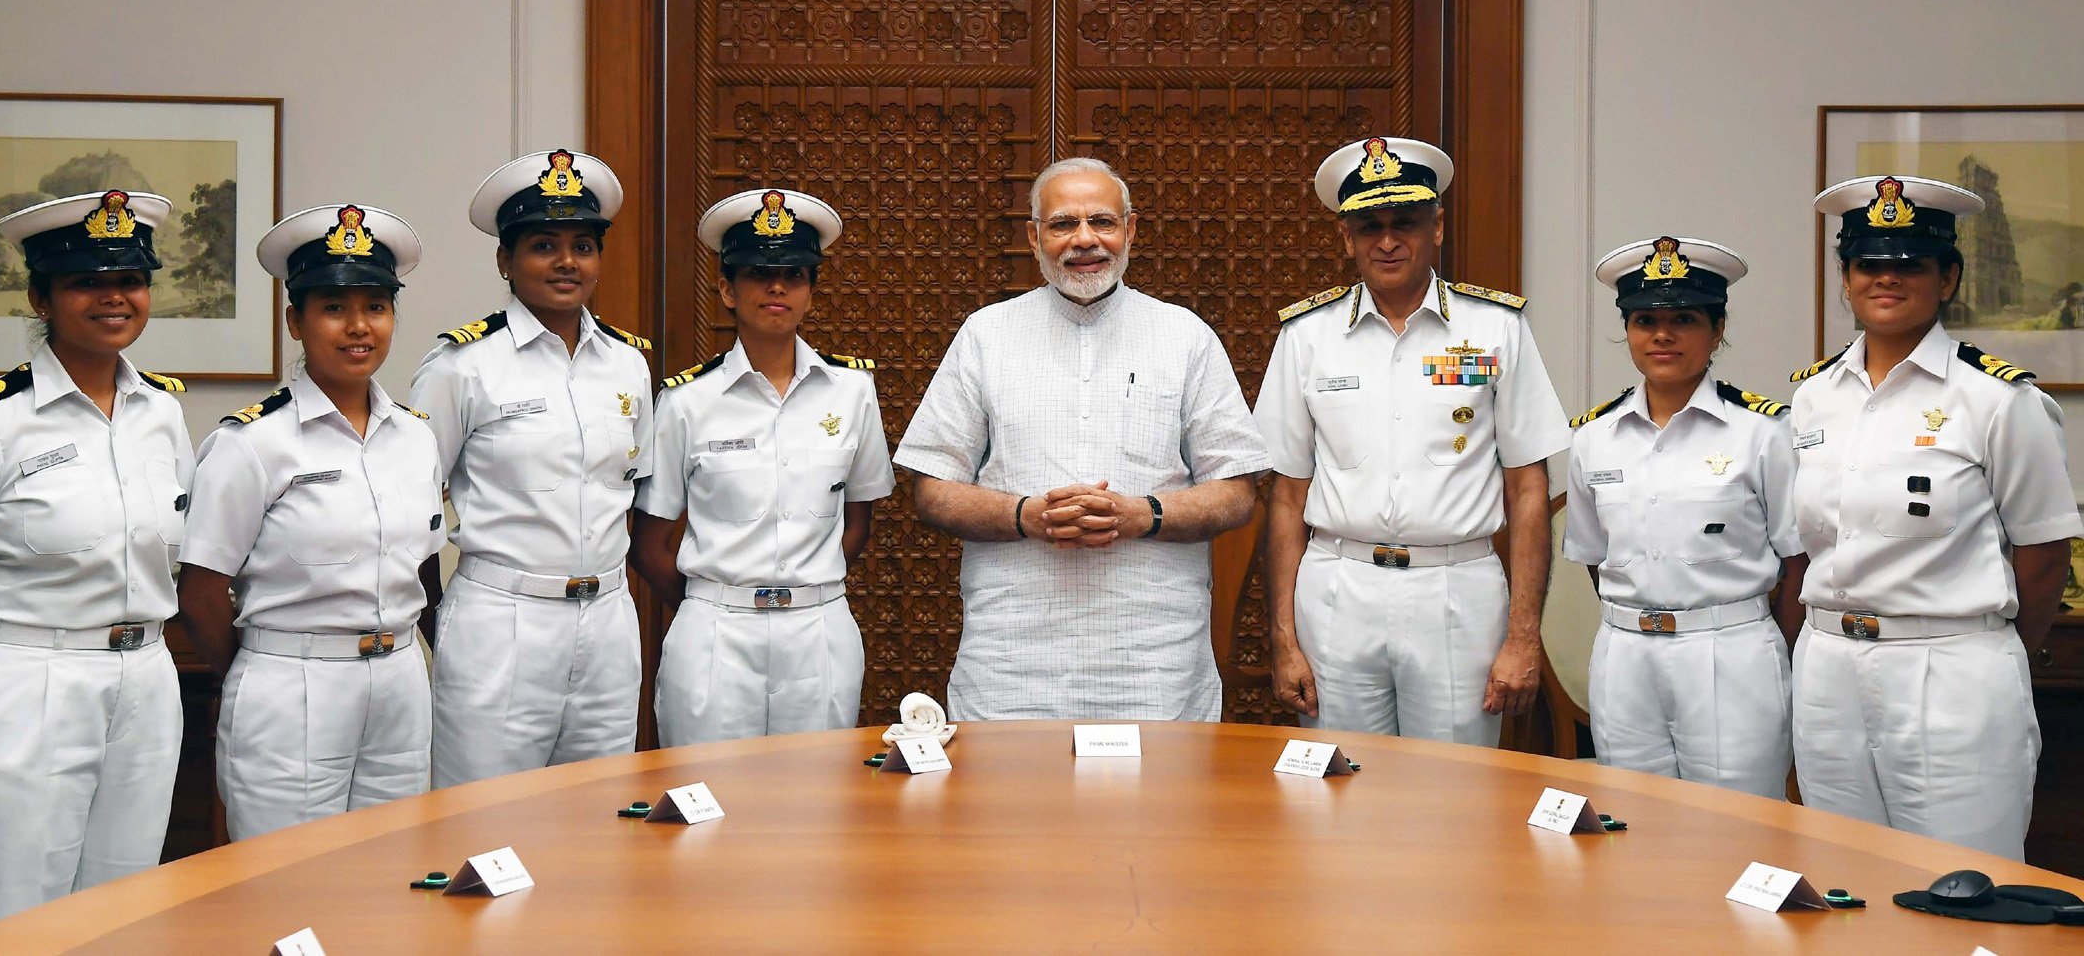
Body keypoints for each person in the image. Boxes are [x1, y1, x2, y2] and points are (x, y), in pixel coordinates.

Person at [0, 190, 189, 936]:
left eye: (131, 278)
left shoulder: (163, 412)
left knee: (123, 918)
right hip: (15, 682)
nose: (115, 296)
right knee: (10, 923)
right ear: (40, 297)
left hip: (143, 683)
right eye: (87, 280)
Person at [894, 157, 1269, 721]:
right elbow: (932, 489)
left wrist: (1143, 515)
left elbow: (1239, 490)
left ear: (1131, 231)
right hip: (1012, 660)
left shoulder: (1184, 336)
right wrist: (1026, 515)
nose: (1085, 240)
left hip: (1153, 661)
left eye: (1102, 222)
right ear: (1033, 238)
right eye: (1063, 224)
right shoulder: (986, 336)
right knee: (1008, 808)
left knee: (1156, 809)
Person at [1790, 174, 2080, 860]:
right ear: (1847, 277)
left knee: (1963, 885)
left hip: (1952, 670)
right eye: (1870, 264)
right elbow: (1805, 546)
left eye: (1910, 264)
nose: (1887, 279)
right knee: (1844, 882)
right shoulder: (1811, 398)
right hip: (1828, 668)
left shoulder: (1999, 400)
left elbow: (2043, 557)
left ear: (1947, 278)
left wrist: (1993, 648)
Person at [1254, 137, 1569, 745]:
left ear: (1438, 226)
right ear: (1346, 237)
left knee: (1456, 801)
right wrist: (1284, 640)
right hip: (1338, 589)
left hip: (1457, 590)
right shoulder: (1307, 337)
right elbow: (1287, 498)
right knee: (1337, 792)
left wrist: (1524, 634)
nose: (1388, 240)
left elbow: (1528, 488)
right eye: (1368, 226)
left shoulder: (1495, 329)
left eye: (1406, 222)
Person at [176, 204, 442, 839]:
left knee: (387, 882)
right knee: (287, 887)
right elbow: (200, 590)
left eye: (376, 307)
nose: (358, 327)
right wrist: (266, 668)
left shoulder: (415, 437)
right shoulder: (253, 443)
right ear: (295, 321)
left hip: (400, 682)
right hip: (291, 684)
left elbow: (424, 567)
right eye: (333, 308)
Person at [410, 149, 656, 787]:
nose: (567, 261)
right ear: (505, 261)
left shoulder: (628, 364)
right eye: (544, 244)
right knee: (484, 822)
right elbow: (410, 510)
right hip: (501, 620)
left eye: (583, 245)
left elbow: (634, 493)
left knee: (598, 822)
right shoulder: (462, 367)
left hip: (607, 620)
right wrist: (439, 621)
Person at [634, 189, 894, 746]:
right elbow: (650, 543)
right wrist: (714, 603)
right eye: (758, 272)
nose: (777, 287)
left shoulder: (851, 393)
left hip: (817, 626)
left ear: (810, 292)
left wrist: (804, 583)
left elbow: (858, 522)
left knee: (816, 805)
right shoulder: (685, 401)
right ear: (727, 289)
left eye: (795, 274)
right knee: (706, 803)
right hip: (715, 630)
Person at [1563, 235, 1804, 799]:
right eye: (1645, 319)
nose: (1662, 335)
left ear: (1718, 330)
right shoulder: (1592, 437)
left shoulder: (1764, 432)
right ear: (1627, 331)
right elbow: (1596, 560)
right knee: (1632, 824)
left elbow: (1799, 562)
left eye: (1685, 319)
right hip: (1625, 655)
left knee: (1738, 828)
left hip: (1730, 653)